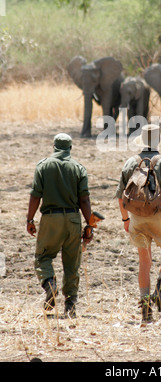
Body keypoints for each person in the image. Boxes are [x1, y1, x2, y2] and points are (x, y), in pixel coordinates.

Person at [116, 124, 161, 323]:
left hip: (136, 219)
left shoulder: (130, 162)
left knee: (144, 262)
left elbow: (121, 197)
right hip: (159, 218)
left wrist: (126, 220)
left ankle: (146, 309)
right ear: (158, 141)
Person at [26, 133, 93, 318]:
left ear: (53, 147)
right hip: (73, 219)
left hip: (50, 219)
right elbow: (85, 200)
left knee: (42, 257)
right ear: (70, 148)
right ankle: (70, 306)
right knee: (72, 264)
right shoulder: (79, 168)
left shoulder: (43, 165)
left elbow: (35, 195)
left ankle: (50, 285)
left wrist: (30, 220)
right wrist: (91, 226)